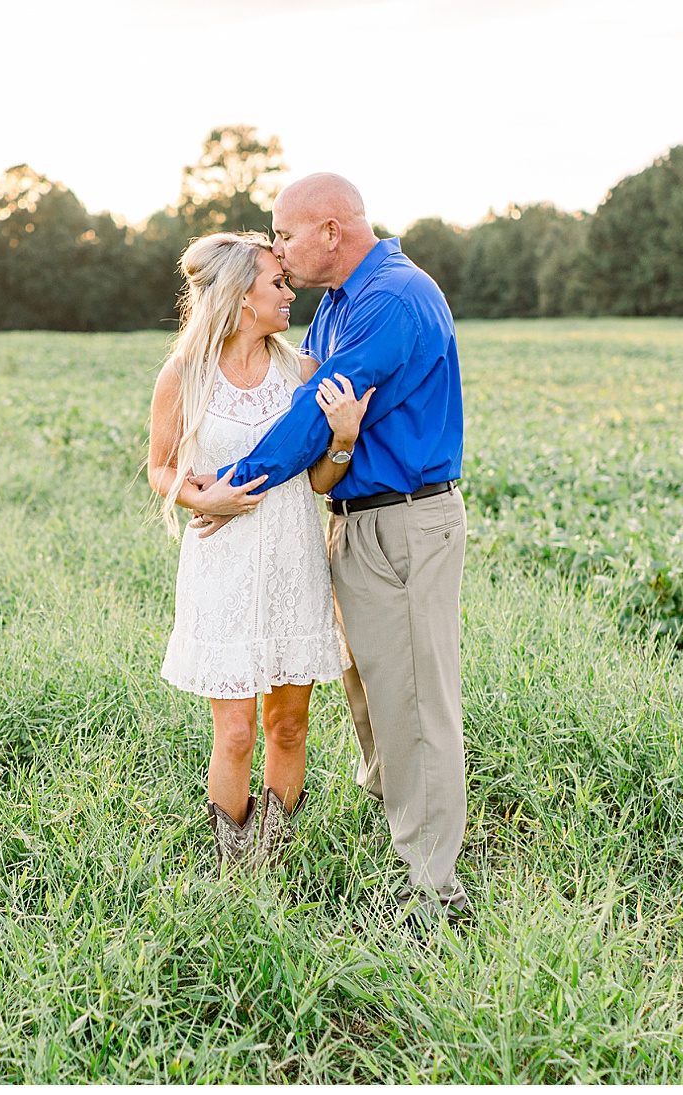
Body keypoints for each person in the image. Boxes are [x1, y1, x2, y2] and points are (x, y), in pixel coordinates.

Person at [190, 174, 470, 931]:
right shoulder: (340, 304)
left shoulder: (394, 299)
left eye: (284, 233)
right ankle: (403, 843)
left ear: (329, 233)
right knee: (374, 698)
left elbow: (312, 416)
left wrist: (232, 484)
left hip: (405, 522)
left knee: (415, 706)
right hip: (353, 517)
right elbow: (303, 409)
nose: (277, 247)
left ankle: (432, 894)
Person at [146, 231, 373, 874]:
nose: (288, 290)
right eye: (276, 281)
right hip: (223, 566)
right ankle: (233, 872)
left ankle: (271, 866)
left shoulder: (298, 370)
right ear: (241, 296)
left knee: (289, 726)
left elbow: (322, 483)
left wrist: (343, 440)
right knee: (238, 730)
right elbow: (161, 467)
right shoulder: (183, 374)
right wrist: (201, 500)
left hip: (295, 562)